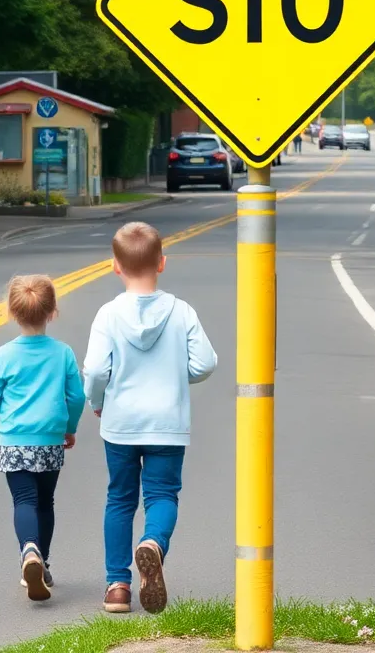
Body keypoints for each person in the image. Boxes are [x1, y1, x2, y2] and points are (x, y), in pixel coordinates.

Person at [83, 222, 217, 614]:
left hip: (121, 422)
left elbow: (93, 370)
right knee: (161, 494)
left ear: (115, 267)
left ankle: (118, 587)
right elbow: (206, 363)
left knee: (120, 500)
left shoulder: (108, 314)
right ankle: (154, 543)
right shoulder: (181, 311)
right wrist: (178, 374)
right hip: (168, 424)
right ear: (161, 263)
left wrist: (97, 401)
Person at [0, 275, 84, 603]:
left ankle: (29, 551)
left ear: (11, 312)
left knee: (23, 499)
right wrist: (70, 427)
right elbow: (77, 396)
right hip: (50, 438)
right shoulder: (62, 353)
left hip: (14, 439)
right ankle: (44, 562)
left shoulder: (3, 355)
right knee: (45, 501)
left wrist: (8, 408)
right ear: (52, 312)